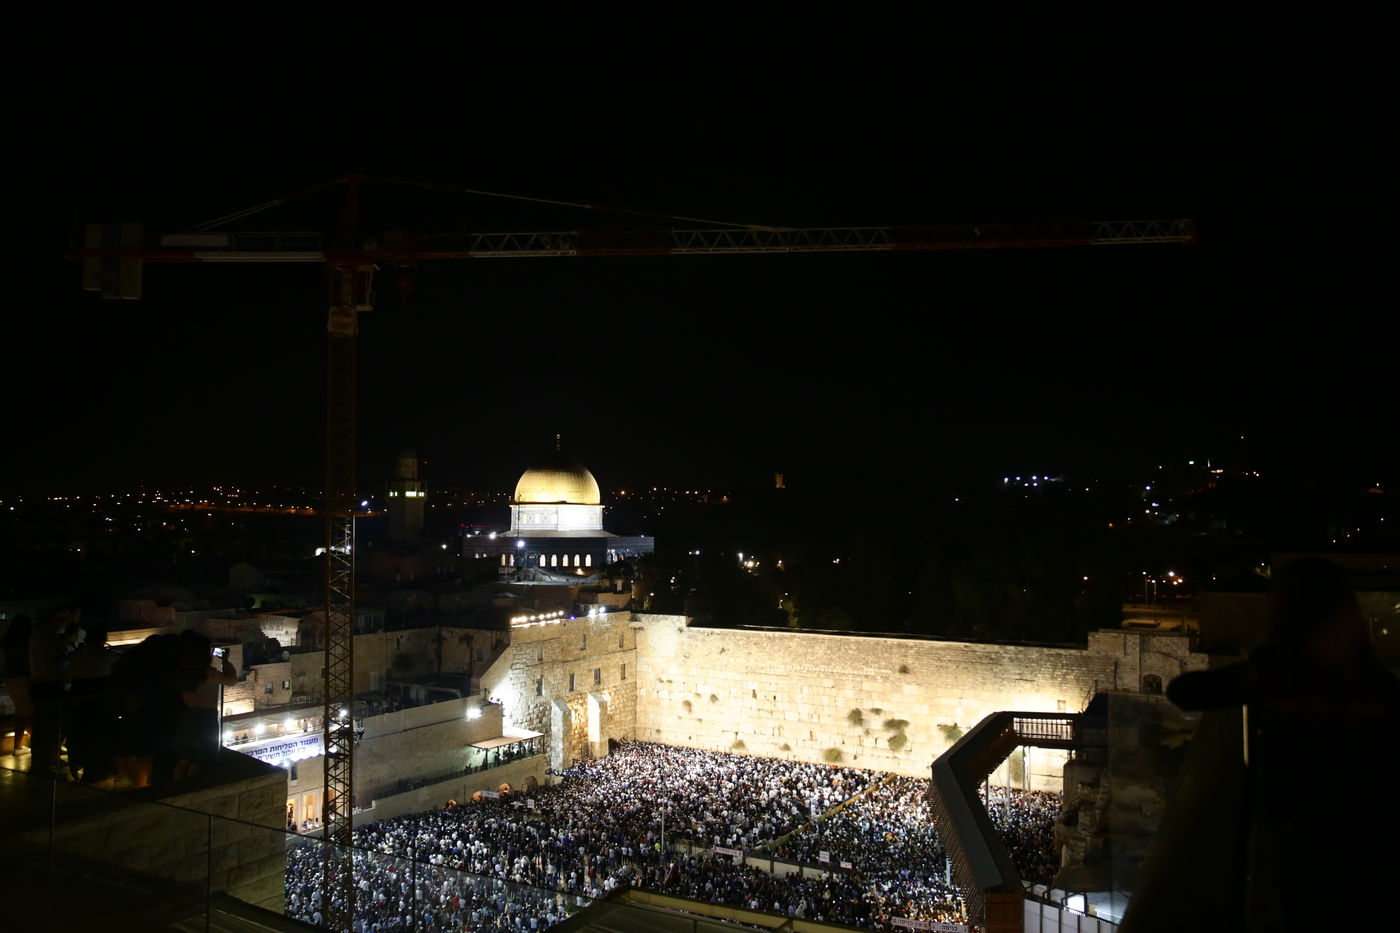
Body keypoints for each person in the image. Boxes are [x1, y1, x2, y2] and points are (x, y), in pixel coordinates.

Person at [172, 630, 237, 779]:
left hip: (186, 715)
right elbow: (231, 680)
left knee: (184, 758)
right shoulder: (207, 673)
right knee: (201, 760)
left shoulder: (182, 670)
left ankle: (177, 788)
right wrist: (225, 661)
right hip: (205, 717)